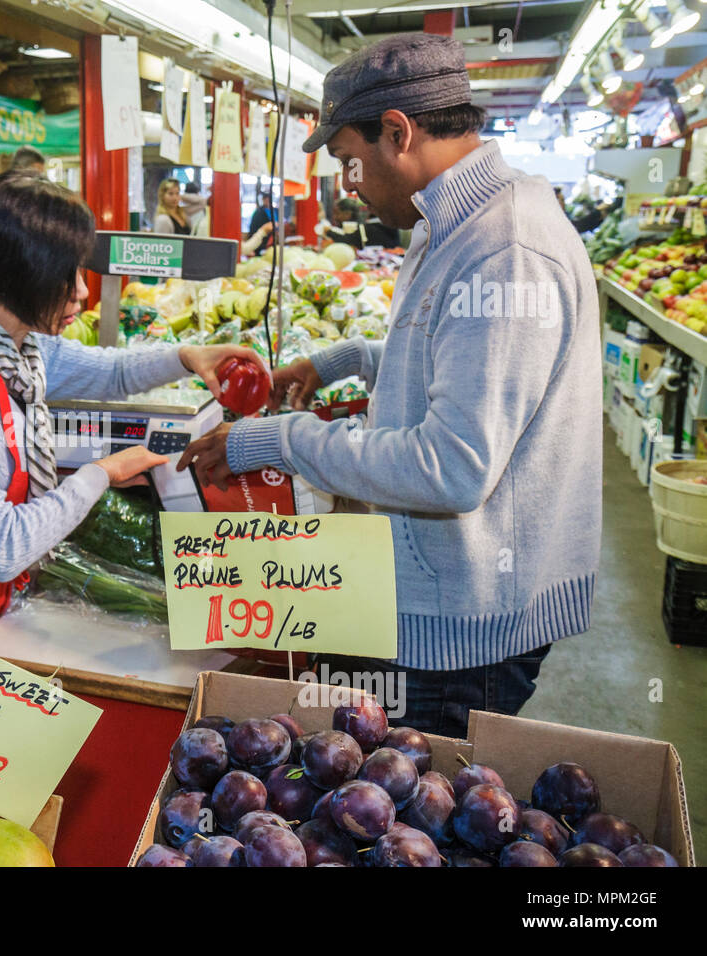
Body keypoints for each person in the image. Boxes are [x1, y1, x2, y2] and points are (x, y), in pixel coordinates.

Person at [178, 33, 601, 739]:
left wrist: (274, 439)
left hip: (462, 628)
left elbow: (451, 468)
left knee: (401, 822)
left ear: (398, 133)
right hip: (437, 591)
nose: (350, 183)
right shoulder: (456, 222)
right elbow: (450, 351)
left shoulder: (505, 251)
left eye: (349, 160)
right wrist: (342, 359)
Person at [0, 171, 258, 689]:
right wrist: (99, 475)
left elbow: (112, 372)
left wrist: (188, 357)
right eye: (68, 276)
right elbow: (0, 548)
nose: (84, 293)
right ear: (23, 275)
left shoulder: (22, 352)